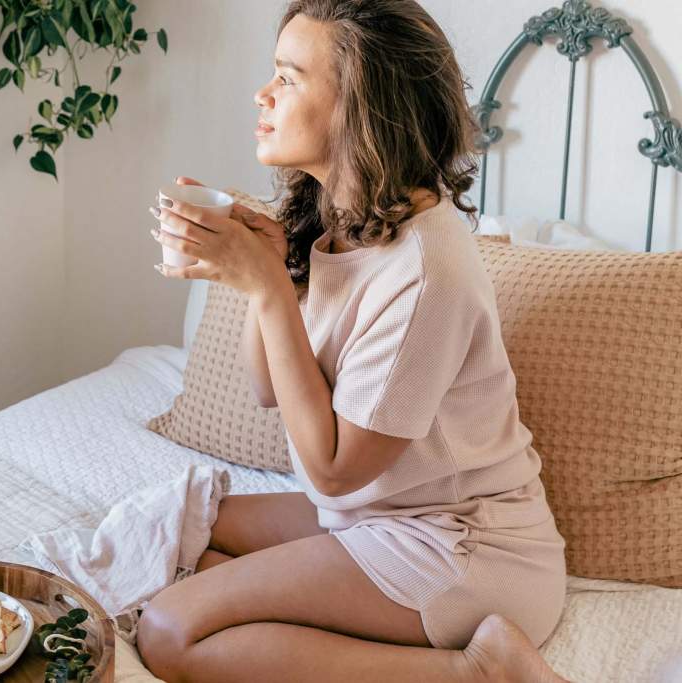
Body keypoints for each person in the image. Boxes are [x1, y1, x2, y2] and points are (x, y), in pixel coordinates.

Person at [138, 1, 572, 682]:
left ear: (360, 107)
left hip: (466, 547)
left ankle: (481, 670)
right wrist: (267, 271)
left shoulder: (428, 271)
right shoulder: (339, 219)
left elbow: (334, 469)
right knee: (193, 529)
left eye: (288, 76)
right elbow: (267, 389)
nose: (263, 93)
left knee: (168, 630)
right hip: (373, 516)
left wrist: (272, 291)